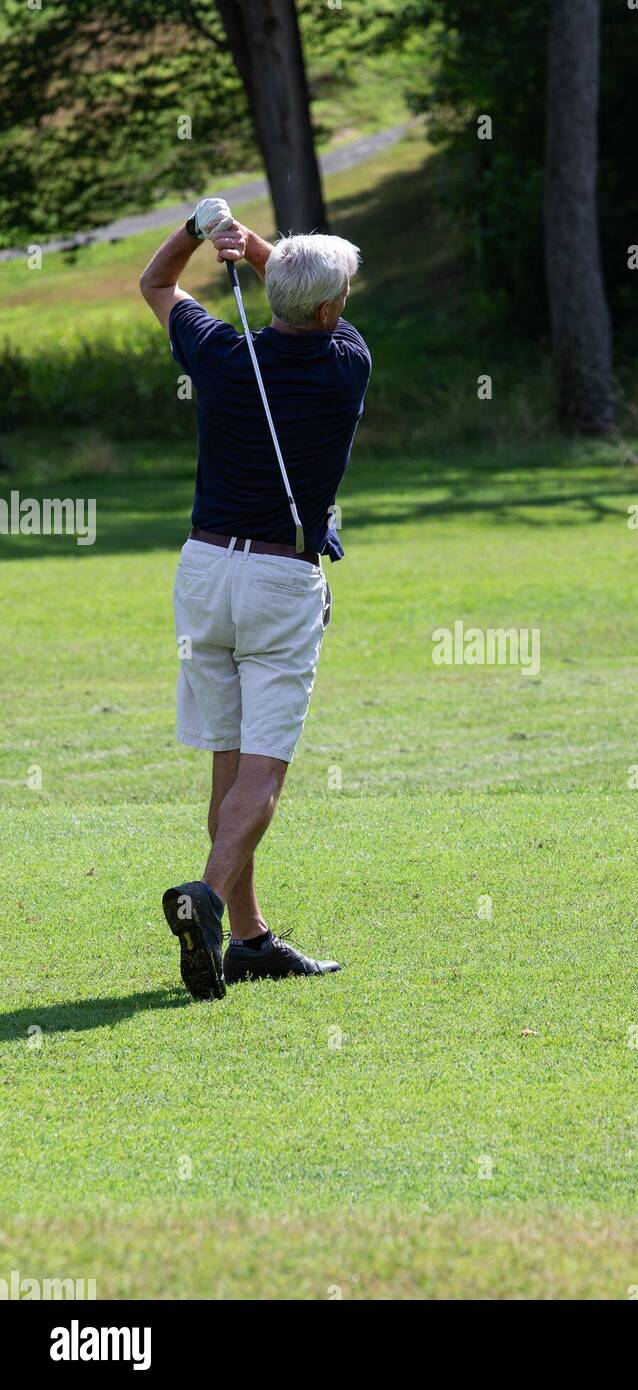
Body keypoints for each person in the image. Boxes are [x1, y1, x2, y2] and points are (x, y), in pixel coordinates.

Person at [138, 197, 370, 1000]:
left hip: (203, 573)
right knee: (262, 775)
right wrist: (261, 249)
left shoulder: (219, 353)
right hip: (279, 582)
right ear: (333, 307)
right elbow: (306, 294)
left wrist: (202, 232)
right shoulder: (347, 363)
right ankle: (204, 902)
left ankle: (248, 939)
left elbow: (156, 281)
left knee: (228, 766)